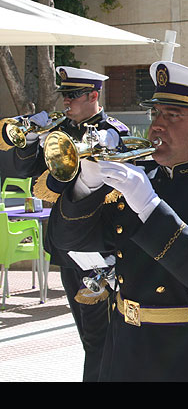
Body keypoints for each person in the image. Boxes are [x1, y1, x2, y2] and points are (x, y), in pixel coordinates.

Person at [45, 61, 188, 381]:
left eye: (173, 115)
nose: (157, 126)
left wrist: (149, 206)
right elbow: (65, 243)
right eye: (156, 114)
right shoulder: (140, 180)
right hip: (125, 349)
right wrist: (85, 188)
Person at [1, 66, 129, 382]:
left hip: (97, 251)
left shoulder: (113, 132)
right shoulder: (61, 130)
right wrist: (30, 140)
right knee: (90, 337)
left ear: (93, 96)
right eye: (65, 95)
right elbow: (19, 172)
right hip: (66, 250)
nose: (66, 102)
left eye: (72, 95)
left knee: (102, 339)